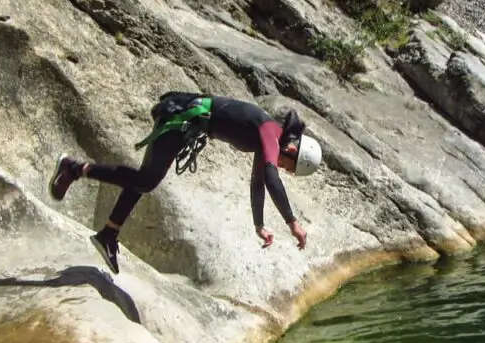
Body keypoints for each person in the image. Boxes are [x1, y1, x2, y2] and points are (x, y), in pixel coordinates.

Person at [47, 92, 322, 274]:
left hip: (184, 123)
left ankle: (108, 234)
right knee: (146, 180)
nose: (285, 170)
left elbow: (258, 183)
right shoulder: (269, 133)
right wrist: (293, 224)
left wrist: (259, 225)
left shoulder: (269, 139)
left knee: (145, 180)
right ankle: (73, 169)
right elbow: (272, 179)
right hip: (179, 115)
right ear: (292, 151)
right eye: (290, 167)